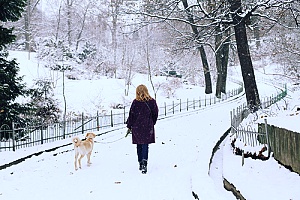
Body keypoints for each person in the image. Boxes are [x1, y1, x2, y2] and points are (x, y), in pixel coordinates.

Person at [126, 84, 158, 174]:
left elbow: (131, 115)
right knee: (145, 145)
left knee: (139, 145)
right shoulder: (152, 102)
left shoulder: (135, 102)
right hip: (147, 126)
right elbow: (155, 114)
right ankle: (144, 163)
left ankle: (140, 162)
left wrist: (129, 125)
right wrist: (152, 122)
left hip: (137, 126)